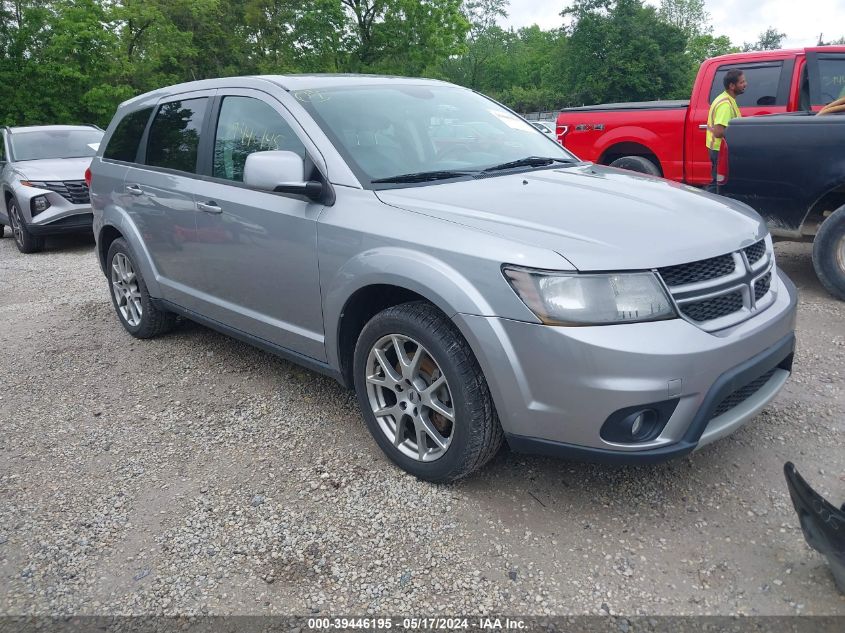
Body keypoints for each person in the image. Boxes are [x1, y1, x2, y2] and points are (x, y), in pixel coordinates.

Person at [706, 69, 747, 192]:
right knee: (717, 185)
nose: (745, 84)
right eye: (742, 82)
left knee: (718, 182)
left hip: (719, 149)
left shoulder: (728, 99)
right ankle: (708, 208)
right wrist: (738, 134)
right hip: (720, 150)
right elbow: (718, 132)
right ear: (732, 86)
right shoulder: (725, 105)